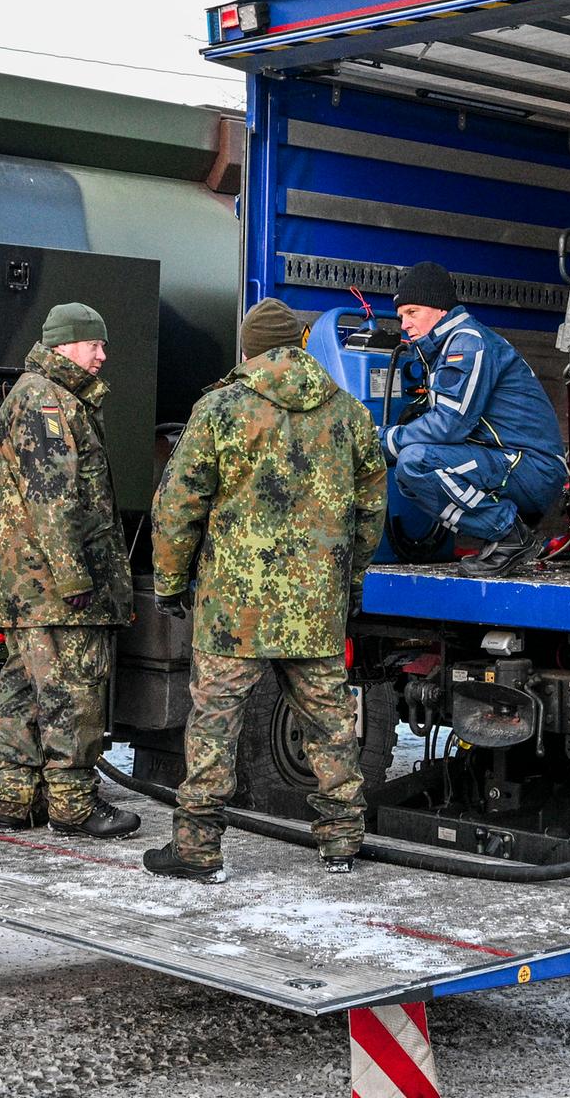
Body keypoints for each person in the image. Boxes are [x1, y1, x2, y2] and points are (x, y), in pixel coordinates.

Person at [144, 297, 387, 883]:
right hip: (315, 606)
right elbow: (370, 506)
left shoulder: (220, 408)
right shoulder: (348, 413)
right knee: (330, 721)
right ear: (300, 347)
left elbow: (177, 504)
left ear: (248, 349)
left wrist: (172, 581)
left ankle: (198, 851)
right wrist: (348, 583)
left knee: (213, 726)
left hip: (235, 609)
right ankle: (342, 843)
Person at [0, 302, 140, 839]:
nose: (102, 355)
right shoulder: (47, 401)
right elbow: (53, 500)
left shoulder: (40, 396)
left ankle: (17, 802)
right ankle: (72, 807)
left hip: (32, 588)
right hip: (54, 590)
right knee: (73, 691)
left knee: (26, 690)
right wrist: (76, 579)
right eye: (93, 344)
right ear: (63, 346)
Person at [381, 261, 567, 578]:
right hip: (512, 461)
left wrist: (384, 440)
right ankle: (504, 534)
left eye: (412, 312)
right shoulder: (449, 344)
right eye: (401, 316)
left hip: (531, 466)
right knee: (409, 471)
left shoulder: (466, 342)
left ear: (440, 308)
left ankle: (509, 534)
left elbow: (449, 425)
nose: (405, 324)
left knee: (416, 462)